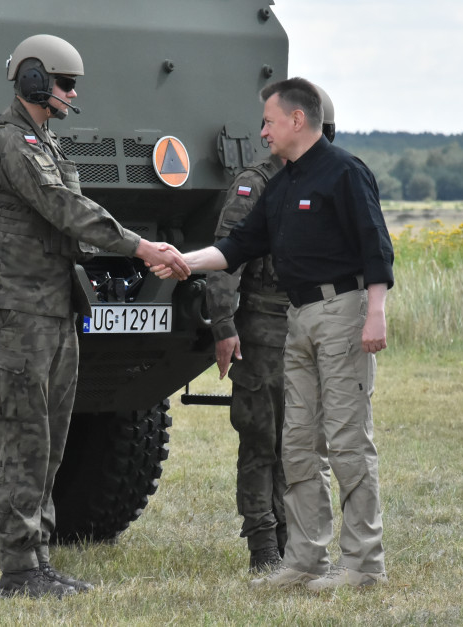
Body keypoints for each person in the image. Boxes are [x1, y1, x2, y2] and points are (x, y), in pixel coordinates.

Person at [0, 33, 190, 599]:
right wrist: (142, 248)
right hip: (16, 312)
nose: (71, 94)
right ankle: (19, 571)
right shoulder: (9, 143)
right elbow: (66, 209)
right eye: (63, 83)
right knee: (22, 442)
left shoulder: (45, 142)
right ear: (34, 80)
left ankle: (39, 561)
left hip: (52, 308)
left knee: (50, 442)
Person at [155, 77, 393, 591]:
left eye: (268, 121)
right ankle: (304, 561)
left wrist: (376, 311)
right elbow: (238, 245)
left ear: (297, 120)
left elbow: (377, 247)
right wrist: (181, 261)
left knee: (348, 442)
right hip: (296, 321)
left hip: (342, 311)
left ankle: (363, 566)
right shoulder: (280, 185)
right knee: (299, 443)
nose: (261, 130)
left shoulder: (346, 174)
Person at [204, 85, 338, 574]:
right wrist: (223, 325)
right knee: (262, 436)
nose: (263, 133)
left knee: (300, 440)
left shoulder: (325, 181)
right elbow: (225, 259)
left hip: (306, 325)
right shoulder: (254, 184)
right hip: (261, 328)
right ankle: (263, 542)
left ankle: (293, 539)